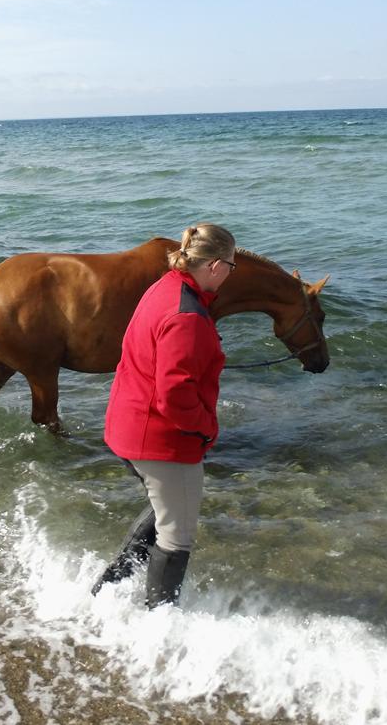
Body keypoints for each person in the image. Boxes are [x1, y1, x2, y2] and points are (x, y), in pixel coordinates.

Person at [93, 222, 236, 607]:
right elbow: (174, 396)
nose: (229, 274)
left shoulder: (164, 288)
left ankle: (106, 592)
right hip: (161, 441)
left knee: (163, 512)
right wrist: (206, 429)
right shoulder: (187, 316)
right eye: (232, 266)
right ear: (216, 266)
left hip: (127, 427)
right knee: (177, 535)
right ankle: (160, 623)